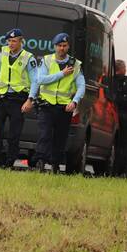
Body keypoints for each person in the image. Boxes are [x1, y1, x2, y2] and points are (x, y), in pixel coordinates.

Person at [0, 28, 39, 168]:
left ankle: (9, 161)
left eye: (14, 41)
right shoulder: (3, 53)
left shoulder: (28, 58)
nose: (11, 44)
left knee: (14, 134)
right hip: (1, 98)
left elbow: (35, 81)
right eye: (9, 41)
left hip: (18, 100)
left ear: (21, 41)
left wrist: (30, 100)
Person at [32, 33, 85, 172]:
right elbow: (40, 80)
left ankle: (55, 164)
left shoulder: (75, 64)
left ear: (68, 47)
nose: (62, 48)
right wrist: (62, 74)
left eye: (64, 46)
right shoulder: (47, 60)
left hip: (64, 108)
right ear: (55, 46)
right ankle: (41, 161)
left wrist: (74, 102)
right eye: (59, 46)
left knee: (60, 138)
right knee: (45, 134)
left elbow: (81, 86)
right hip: (46, 105)